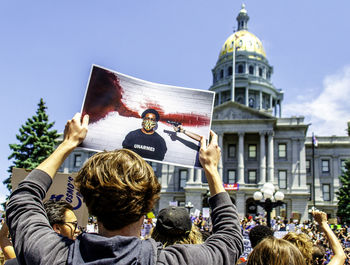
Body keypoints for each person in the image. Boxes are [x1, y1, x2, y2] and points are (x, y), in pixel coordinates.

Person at [6, 113, 244, 265]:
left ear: (88, 201)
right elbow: (230, 241)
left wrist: (67, 145)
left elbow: (22, 199)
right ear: (149, 205)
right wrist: (211, 169)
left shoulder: (53, 257)